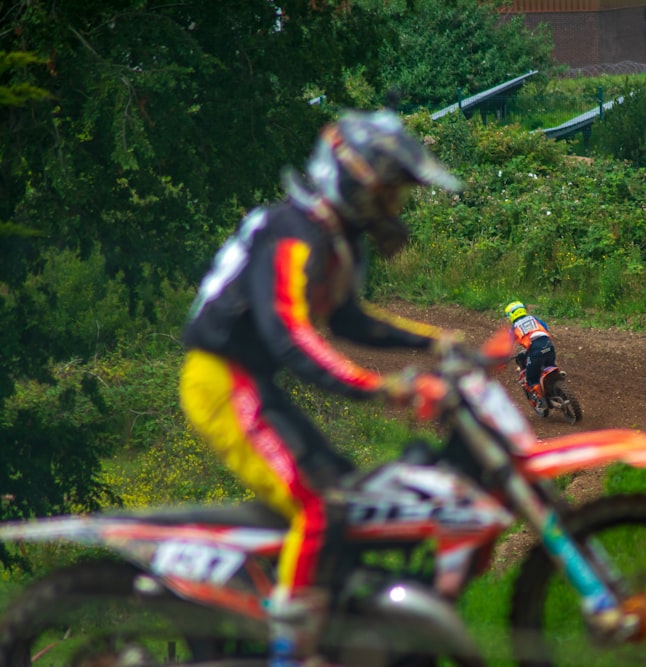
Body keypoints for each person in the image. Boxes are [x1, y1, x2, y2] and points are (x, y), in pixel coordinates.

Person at [179, 110, 463, 667]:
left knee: (347, 496)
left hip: (250, 381)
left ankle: (329, 624)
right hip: (219, 380)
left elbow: (349, 319)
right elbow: (291, 337)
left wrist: (436, 342)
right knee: (318, 503)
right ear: (354, 179)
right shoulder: (294, 234)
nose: (394, 207)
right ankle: (289, 653)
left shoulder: (334, 240)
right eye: (390, 193)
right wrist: (379, 388)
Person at [505, 300, 555, 410]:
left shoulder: (514, 328)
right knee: (549, 365)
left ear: (511, 314)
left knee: (531, 378)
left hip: (535, 351)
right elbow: (545, 327)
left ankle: (542, 400)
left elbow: (507, 344)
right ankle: (555, 383)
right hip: (549, 346)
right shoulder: (534, 318)